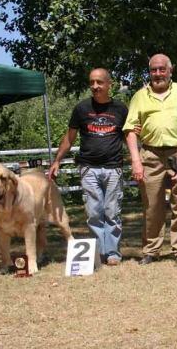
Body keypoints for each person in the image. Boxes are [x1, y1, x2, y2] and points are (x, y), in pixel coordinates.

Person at [124, 54, 177, 266]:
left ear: (170, 70)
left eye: (162, 69)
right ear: (149, 72)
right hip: (150, 155)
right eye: (153, 70)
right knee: (152, 206)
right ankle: (151, 250)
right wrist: (135, 161)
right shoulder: (139, 96)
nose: (158, 74)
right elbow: (131, 131)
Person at [48, 68, 128, 266]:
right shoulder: (82, 108)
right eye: (92, 82)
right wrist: (57, 160)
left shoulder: (121, 109)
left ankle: (112, 253)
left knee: (112, 211)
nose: (95, 86)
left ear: (109, 84)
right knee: (93, 212)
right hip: (88, 168)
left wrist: (138, 158)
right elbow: (69, 137)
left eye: (100, 82)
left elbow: (131, 136)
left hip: (113, 168)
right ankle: (98, 254)